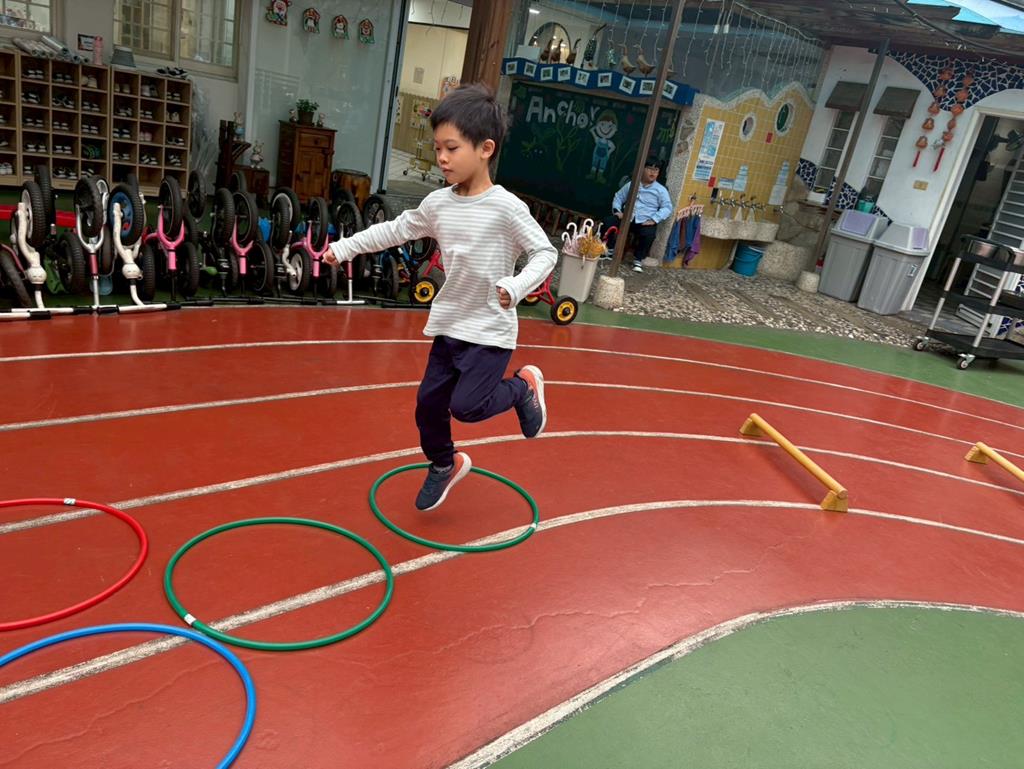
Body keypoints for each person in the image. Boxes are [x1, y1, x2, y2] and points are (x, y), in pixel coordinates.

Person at [325, 83, 557, 511]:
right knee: (428, 406)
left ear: (485, 149)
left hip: (489, 330)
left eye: (451, 148)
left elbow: (545, 252)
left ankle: (522, 388)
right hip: (451, 326)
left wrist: (516, 286)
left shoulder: (506, 208)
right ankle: (444, 464)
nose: (442, 158)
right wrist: (345, 248)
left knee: (467, 407)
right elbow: (395, 230)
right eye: (437, 149)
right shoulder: (438, 204)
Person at [603, 156, 673, 273]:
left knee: (649, 234)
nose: (653, 172)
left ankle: (638, 259)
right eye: (650, 168)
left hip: (645, 221)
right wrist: (617, 211)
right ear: (643, 169)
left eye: (656, 170)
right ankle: (609, 249)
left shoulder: (661, 190)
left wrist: (654, 219)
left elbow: (667, 207)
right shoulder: (632, 184)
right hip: (627, 218)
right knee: (608, 222)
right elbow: (618, 197)